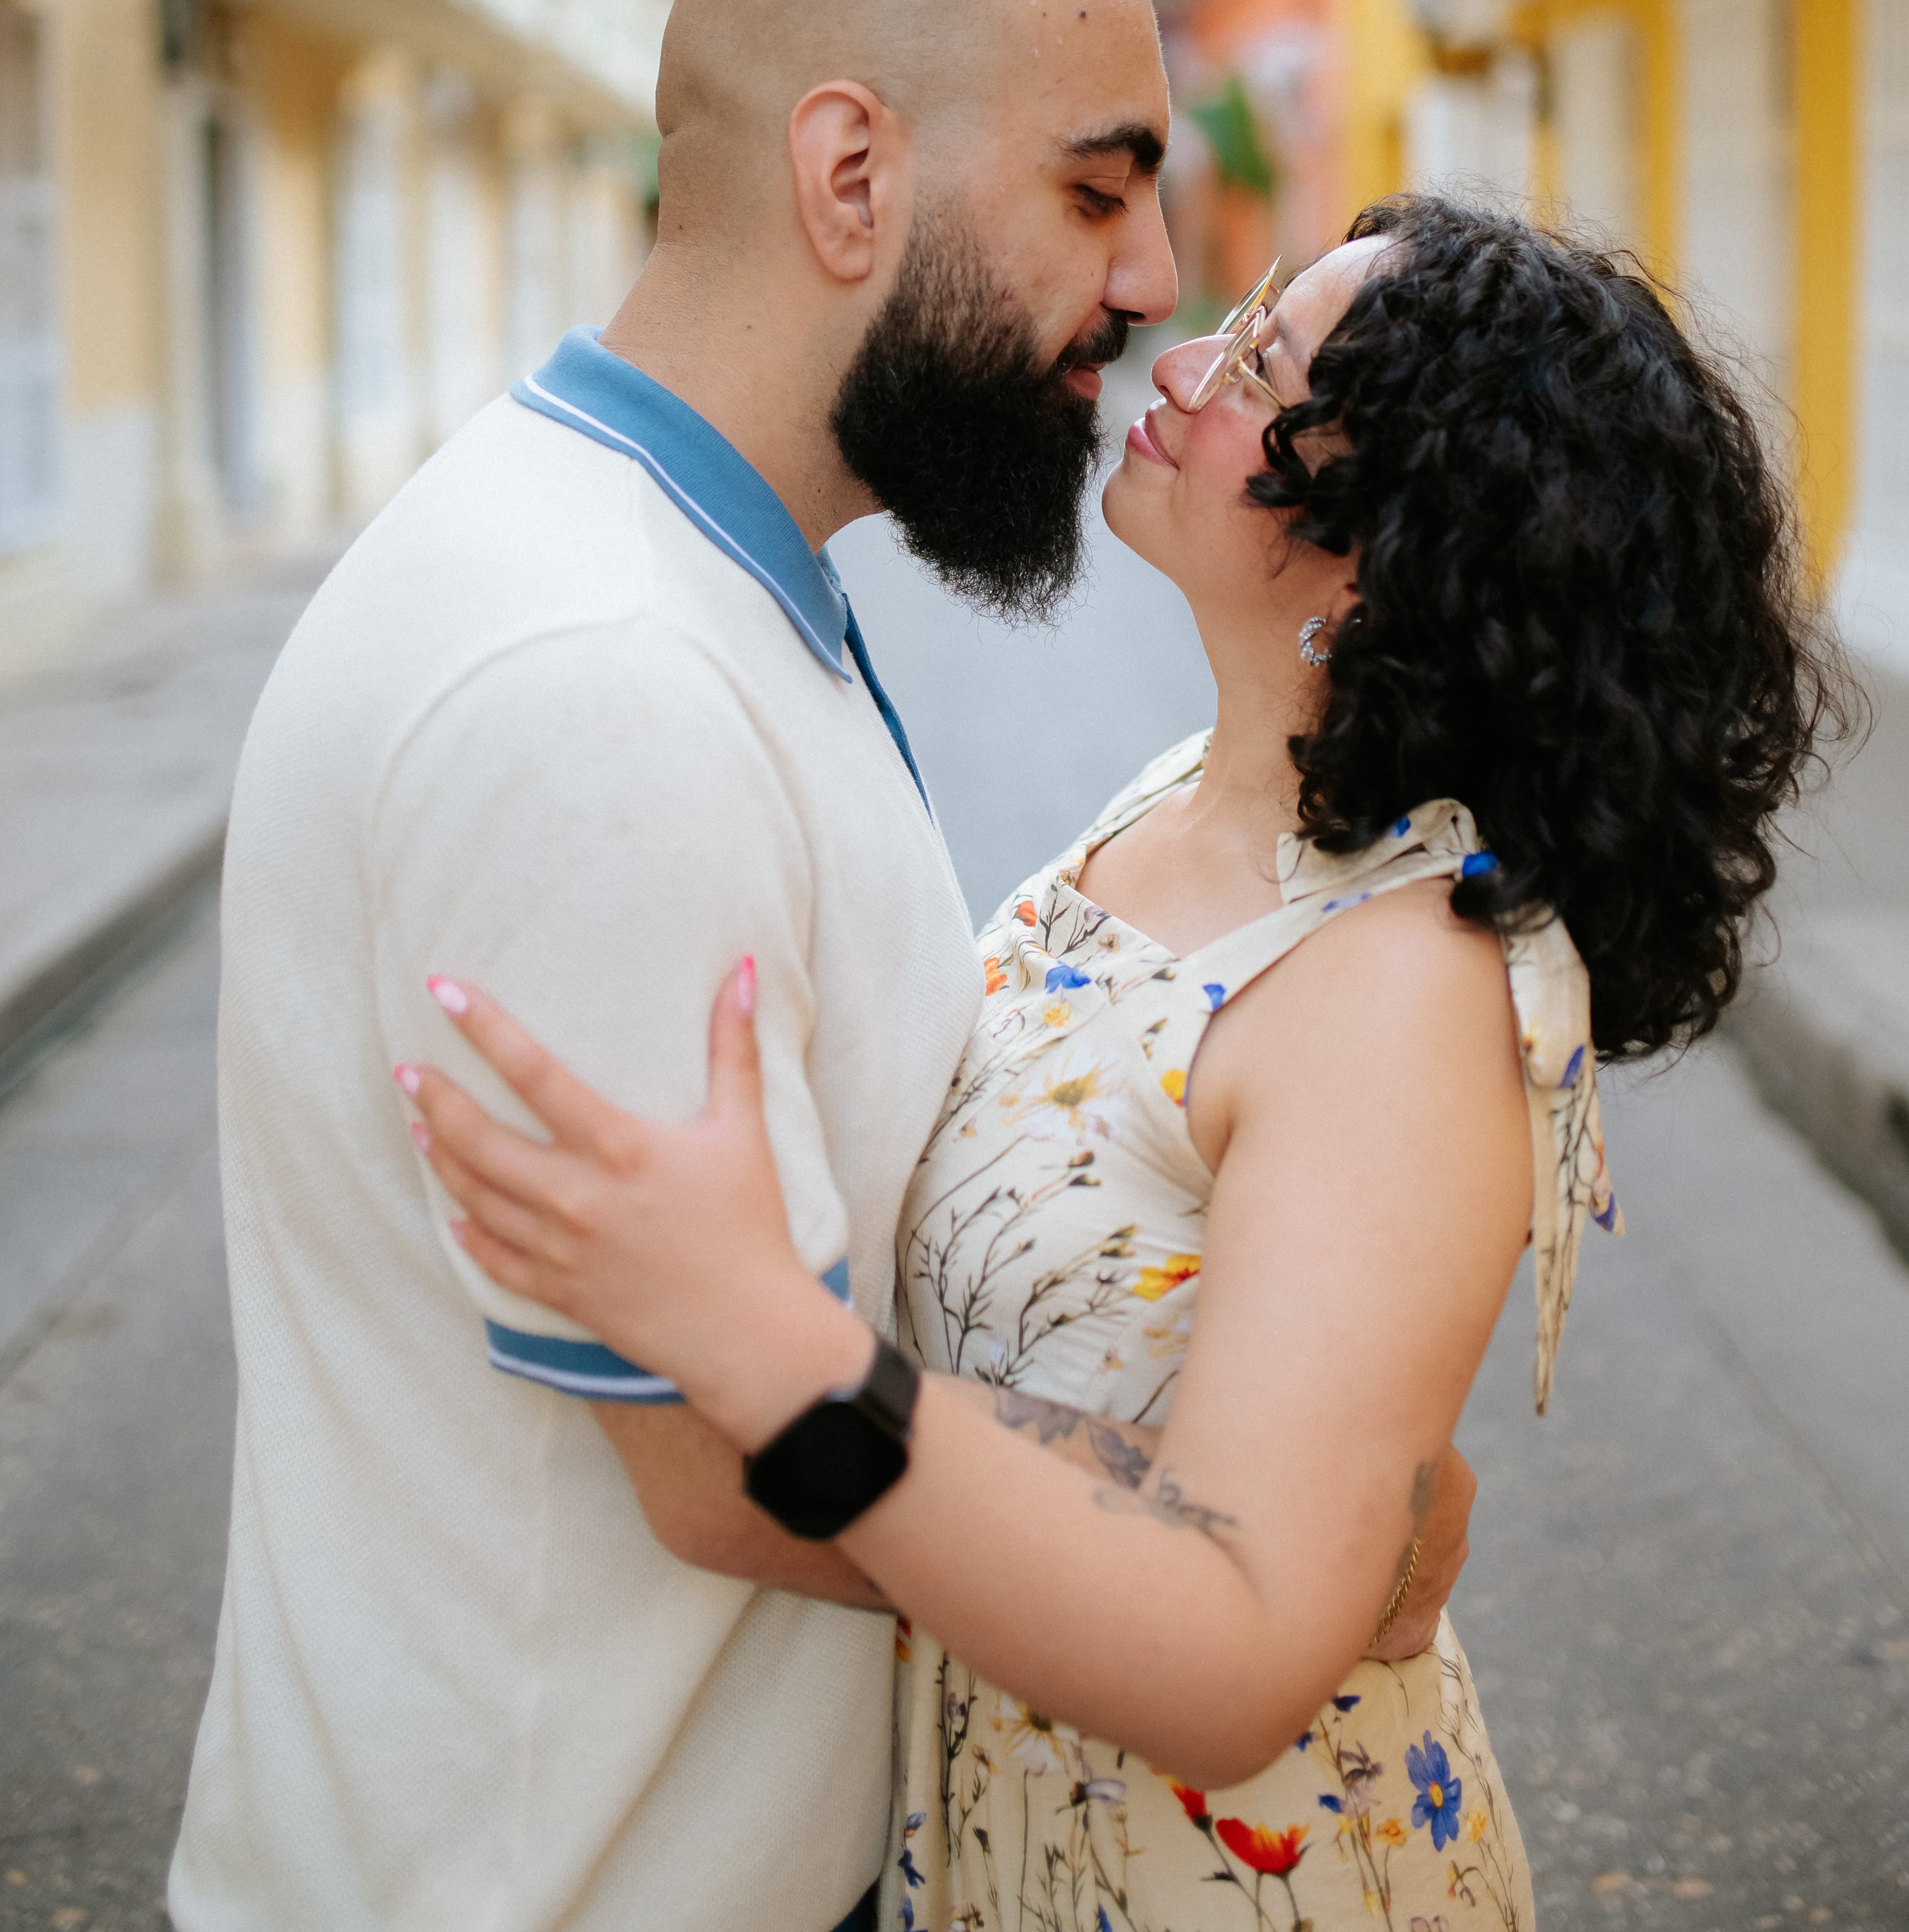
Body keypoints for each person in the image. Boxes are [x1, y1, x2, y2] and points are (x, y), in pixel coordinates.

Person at [170, 0, 1475, 1932]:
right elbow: (727, 1444)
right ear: (849, 172)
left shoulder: (681, 572)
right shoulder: (604, 680)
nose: (1153, 280)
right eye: (1094, 184)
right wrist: (1274, 1549)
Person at [400, 195, 1838, 1932]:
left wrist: (753, 1330)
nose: (1183, 364)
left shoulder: (1399, 984)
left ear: (1395, 538)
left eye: (1263, 366)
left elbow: (1236, 1654)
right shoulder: (1193, 793)